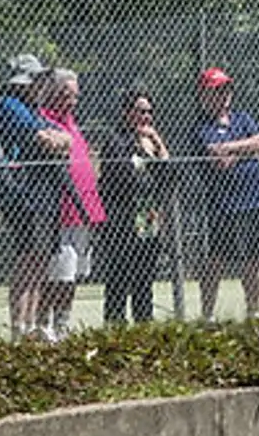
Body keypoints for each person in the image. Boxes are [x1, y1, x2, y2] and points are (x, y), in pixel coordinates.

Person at [0, 54, 68, 340]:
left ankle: (31, 324)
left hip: (42, 193)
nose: (41, 84)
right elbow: (45, 139)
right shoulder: (10, 105)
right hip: (24, 193)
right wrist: (54, 139)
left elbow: (64, 137)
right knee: (28, 259)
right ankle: (18, 327)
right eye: (35, 79)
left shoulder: (31, 109)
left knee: (39, 261)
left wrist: (57, 139)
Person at [191, 68, 259, 322]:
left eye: (226, 89)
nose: (225, 95)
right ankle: (208, 315)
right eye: (217, 90)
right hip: (223, 205)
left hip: (253, 200)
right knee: (216, 260)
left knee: (254, 258)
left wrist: (231, 148)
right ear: (204, 94)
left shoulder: (242, 118)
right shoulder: (200, 126)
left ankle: (253, 311)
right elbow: (217, 159)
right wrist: (240, 150)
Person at [38, 69, 104, 342]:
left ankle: (63, 325)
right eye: (67, 94)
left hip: (83, 211)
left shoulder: (72, 123)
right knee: (58, 275)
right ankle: (45, 325)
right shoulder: (43, 120)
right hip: (61, 212)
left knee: (75, 274)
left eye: (75, 95)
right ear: (52, 93)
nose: (73, 100)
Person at [98, 89, 172, 324]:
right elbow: (123, 177)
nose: (147, 116)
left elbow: (170, 177)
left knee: (144, 279)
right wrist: (141, 149)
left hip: (147, 217)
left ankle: (144, 325)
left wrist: (158, 146)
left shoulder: (152, 142)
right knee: (119, 278)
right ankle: (115, 326)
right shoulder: (115, 140)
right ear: (126, 112)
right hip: (122, 219)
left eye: (150, 112)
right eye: (141, 111)